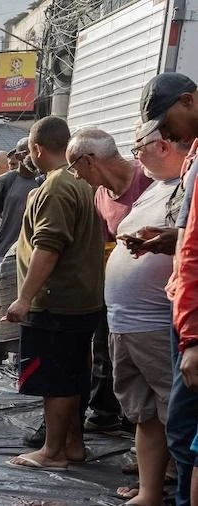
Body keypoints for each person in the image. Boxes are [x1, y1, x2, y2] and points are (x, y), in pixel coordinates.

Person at [4, 116, 105, 472]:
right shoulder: (79, 182)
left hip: (56, 302)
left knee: (57, 381)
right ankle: (72, 445)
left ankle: (52, 452)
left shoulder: (57, 187)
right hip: (81, 300)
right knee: (74, 375)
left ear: (37, 148)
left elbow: (49, 246)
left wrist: (24, 298)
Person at [89, 124, 182, 505]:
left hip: (157, 322)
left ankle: (174, 485)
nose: (134, 156)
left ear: (161, 145)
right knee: (144, 414)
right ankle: (149, 491)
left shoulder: (185, 185)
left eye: (138, 147)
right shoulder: (154, 187)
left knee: (173, 412)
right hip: (126, 322)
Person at [67, 127, 156, 434]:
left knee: (157, 378)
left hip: (156, 306)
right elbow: (107, 244)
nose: (75, 176)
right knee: (113, 361)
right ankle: (116, 418)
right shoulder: (101, 196)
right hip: (118, 299)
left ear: (89, 160)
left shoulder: (151, 179)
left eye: (74, 166)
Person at [137, 71, 198, 506]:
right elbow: (190, 238)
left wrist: (194, 338)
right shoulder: (194, 153)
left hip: (192, 324)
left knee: (185, 435)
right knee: (184, 434)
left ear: (189, 102)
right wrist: (168, 238)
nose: (166, 134)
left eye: (167, 120)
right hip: (184, 315)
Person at [0, 137, 39, 278]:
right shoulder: (4, 181)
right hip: (4, 253)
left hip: (33, 254)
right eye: (29, 152)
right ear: (19, 156)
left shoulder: (43, 181)